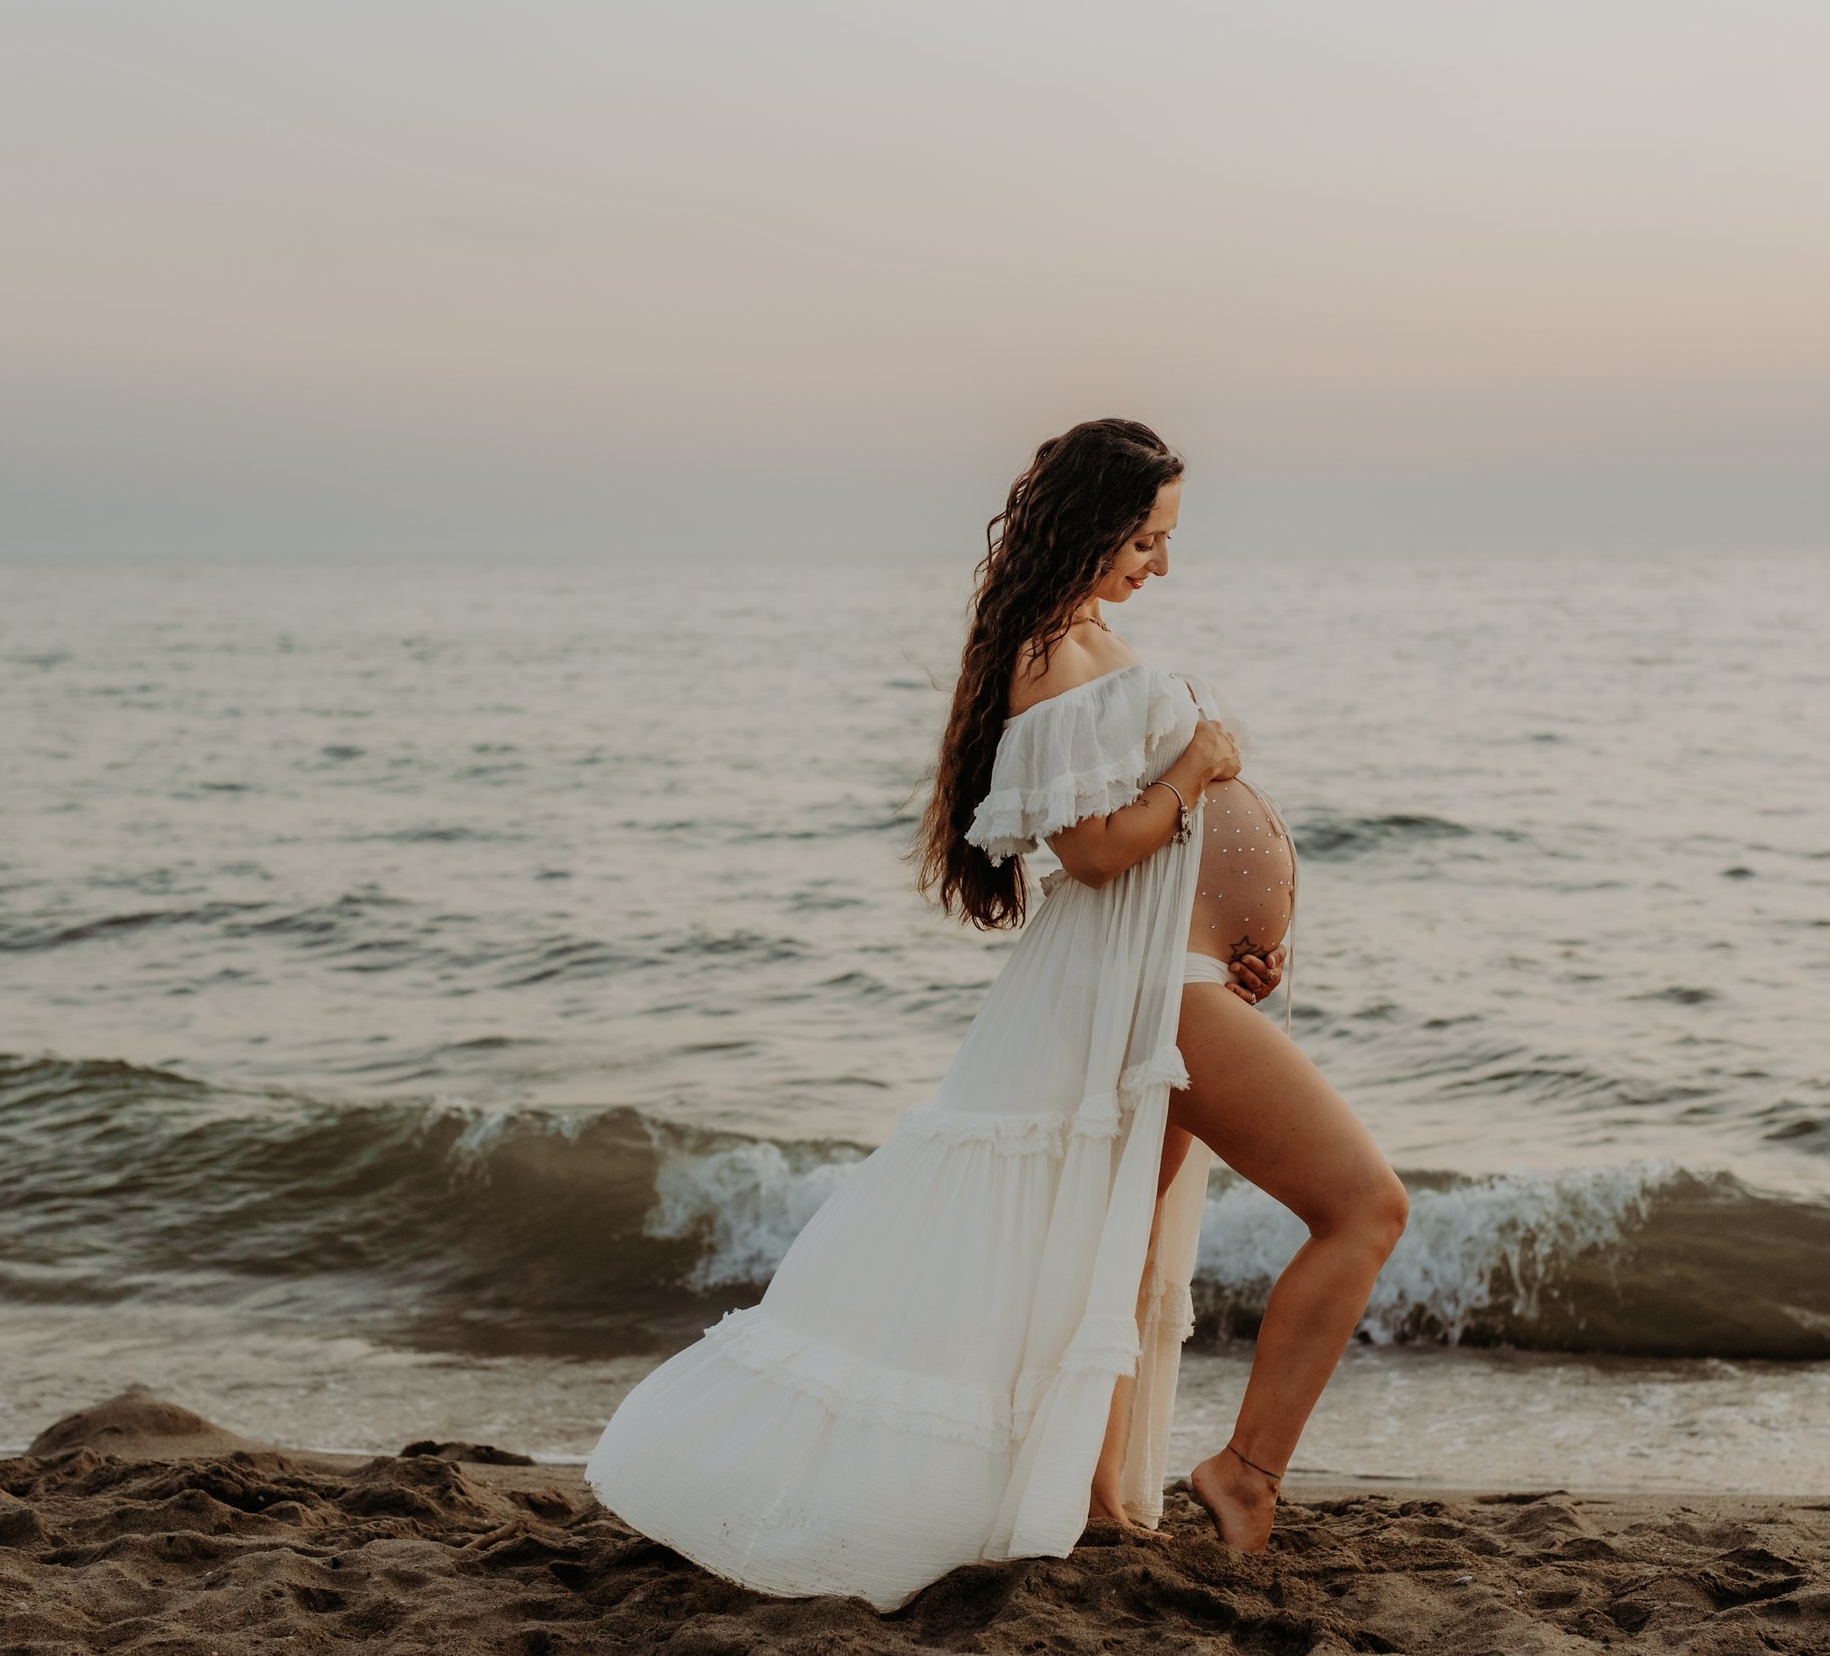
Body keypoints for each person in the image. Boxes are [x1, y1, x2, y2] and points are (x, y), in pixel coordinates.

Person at [586, 418, 1409, 1611]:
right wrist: (1199, 769)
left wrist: (1241, 935)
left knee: (1113, 1254)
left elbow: (1151, 847)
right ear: (1086, 522)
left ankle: (1093, 1495)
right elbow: (1089, 846)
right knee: (1365, 1205)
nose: (1160, 564)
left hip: (1173, 976)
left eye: (1167, 539)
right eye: (1145, 537)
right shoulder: (1044, 655)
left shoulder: (1087, 641)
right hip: (1140, 990)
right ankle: (1243, 1473)